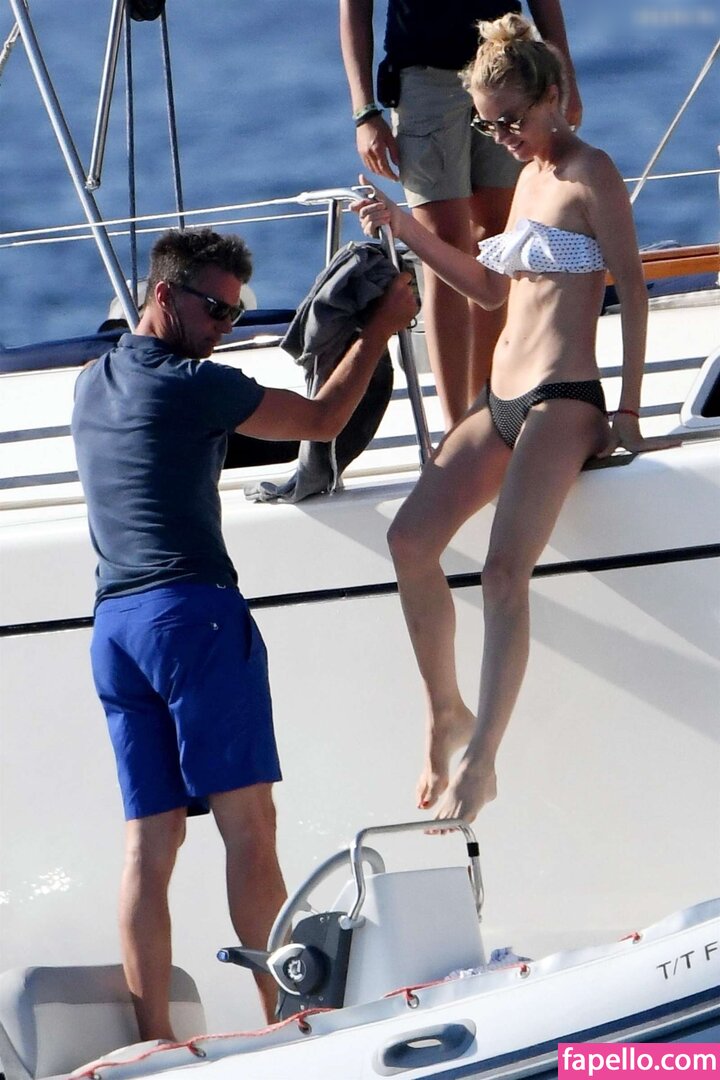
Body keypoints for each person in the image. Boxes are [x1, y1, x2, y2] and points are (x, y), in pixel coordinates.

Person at [71, 227, 416, 1041]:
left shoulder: (91, 381)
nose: (225, 327)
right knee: (249, 831)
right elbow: (324, 419)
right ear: (164, 295)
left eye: (236, 312)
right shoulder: (194, 385)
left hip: (114, 630)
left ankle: (154, 1039)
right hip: (190, 618)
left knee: (149, 847)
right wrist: (378, 330)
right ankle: (290, 1029)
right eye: (215, 309)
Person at [352, 14, 679, 824]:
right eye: (488, 126)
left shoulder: (590, 173)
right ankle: (444, 712)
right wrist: (403, 227)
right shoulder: (529, 177)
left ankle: (483, 760)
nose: (502, 137)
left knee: (503, 573)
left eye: (511, 121)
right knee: (409, 540)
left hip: (564, 400)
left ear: (552, 97)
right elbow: (490, 288)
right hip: (501, 401)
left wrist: (629, 408)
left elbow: (633, 291)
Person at [339, 0, 582, 430]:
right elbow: (354, 8)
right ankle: (457, 428)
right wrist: (364, 112)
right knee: (443, 249)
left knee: (498, 244)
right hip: (423, 78)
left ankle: (492, 408)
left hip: (506, 69)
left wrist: (564, 80)